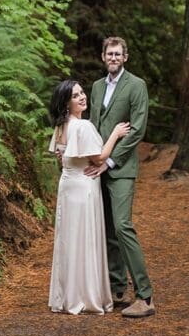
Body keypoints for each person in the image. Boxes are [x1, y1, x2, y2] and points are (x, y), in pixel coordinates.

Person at [85, 36, 155, 317]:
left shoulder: (136, 86)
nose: (113, 58)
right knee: (108, 231)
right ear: (103, 57)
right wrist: (88, 156)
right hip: (96, 164)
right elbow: (93, 125)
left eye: (118, 54)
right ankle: (117, 291)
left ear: (125, 57)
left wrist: (110, 161)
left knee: (123, 226)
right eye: (109, 54)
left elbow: (137, 130)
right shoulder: (97, 87)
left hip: (121, 169)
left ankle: (145, 297)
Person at [47, 79, 130, 314]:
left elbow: (59, 158)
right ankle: (86, 295)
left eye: (82, 92)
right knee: (85, 239)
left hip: (67, 185)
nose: (82, 97)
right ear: (66, 102)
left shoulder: (61, 126)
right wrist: (115, 134)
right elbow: (100, 159)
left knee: (69, 239)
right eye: (75, 95)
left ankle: (68, 296)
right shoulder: (83, 127)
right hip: (83, 187)